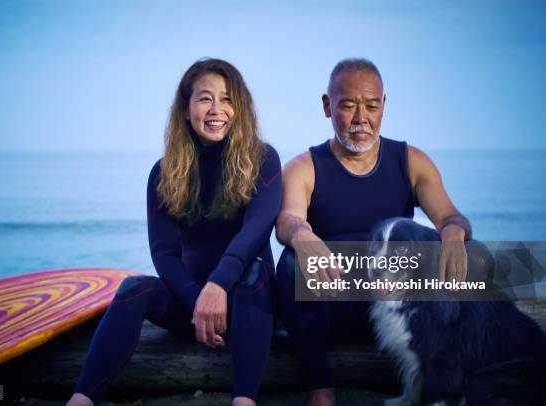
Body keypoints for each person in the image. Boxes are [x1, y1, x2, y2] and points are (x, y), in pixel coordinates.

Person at [67, 58, 282, 406]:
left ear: (239, 107)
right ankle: (81, 399)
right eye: (204, 99)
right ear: (185, 108)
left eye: (227, 99)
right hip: (191, 303)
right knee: (134, 288)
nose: (217, 109)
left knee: (254, 272)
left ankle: (244, 401)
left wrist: (217, 286)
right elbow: (164, 252)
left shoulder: (262, 159)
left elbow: (256, 231)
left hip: (249, 303)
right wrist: (199, 297)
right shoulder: (165, 171)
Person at [275, 58, 471, 406]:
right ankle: (321, 387)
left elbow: (450, 217)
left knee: (470, 255)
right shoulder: (304, 167)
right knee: (291, 263)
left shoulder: (411, 161)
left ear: (384, 106)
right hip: (334, 308)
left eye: (371, 106)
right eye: (347, 106)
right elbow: (288, 218)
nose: (360, 118)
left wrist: (454, 233)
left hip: (396, 307)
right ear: (327, 106)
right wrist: (303, 236)